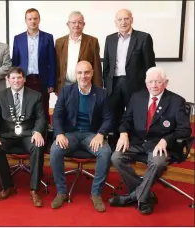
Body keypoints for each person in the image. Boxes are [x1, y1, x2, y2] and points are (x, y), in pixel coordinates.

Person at [109, 67, 191, 215]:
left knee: (158, 162)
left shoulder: (177, 101)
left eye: (158, 82)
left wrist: (166, 140)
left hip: (161, 146)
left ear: (165, 83)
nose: (154, 85)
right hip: (138, 142)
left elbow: (185, 130)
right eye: (150, 82)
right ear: (145, 83)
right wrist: (123, 133)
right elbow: (126, 120)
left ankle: (134, 197)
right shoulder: (137, 97)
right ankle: (146, 196)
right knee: (116, 157)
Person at [49, 61, 112, 212]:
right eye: (79, 73)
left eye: (86, 72)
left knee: (105, 152)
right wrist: (59, 133)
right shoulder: (66, 91)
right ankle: (61, 192)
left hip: (92, 135)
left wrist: (100, 134)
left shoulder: (102, 93)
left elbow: (109, 118)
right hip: (70, 134)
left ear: (92, 73)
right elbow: (57, 116)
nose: (83, 76)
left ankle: (96, 194)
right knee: (55, 150)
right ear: (75, 75)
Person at [0, 67, 47, 207]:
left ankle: (34, 190)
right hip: (7, 134)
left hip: (28, 134)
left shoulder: (35, 95)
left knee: (38, 146)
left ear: (24, 79)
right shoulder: (0, 96)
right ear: (7, 80)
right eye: (13, 78)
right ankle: (8, 187)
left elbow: (41, 118)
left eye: (19, 77)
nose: (16, 81)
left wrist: (38, 131)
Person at [103, 9, 156, 142]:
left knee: (136, 116)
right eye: (120, 19)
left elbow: (150, 66)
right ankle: (114, 146)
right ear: (115, 22)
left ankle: (134, 146)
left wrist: (148, 87)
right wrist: (106, 84)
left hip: (135, 84)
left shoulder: (143, 38)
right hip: (114, 84)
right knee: (113, 116)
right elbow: (107, 65)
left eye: (126, 19)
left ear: (132, 20)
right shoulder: (110, 39)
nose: (123, 22)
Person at [12, 8, 56, 119]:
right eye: (30, 19)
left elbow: (52, 62)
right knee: (25, 109)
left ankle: (43, 134)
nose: (33, 21)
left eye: (35, 18)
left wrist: (51, 83)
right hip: (24, 80)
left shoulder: (48, 38)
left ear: (39, 20)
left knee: (43, 109)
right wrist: (15, 81)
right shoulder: (18, 39)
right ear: (25, 21)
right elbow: (15, 63)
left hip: (42, 80)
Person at [55, 11, 102, 94]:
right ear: (68, 24)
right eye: (73, 22)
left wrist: (98, 88)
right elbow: (56, 65)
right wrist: (55, 86)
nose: (76, 25)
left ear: (84, 24)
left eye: (80, 22)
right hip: (65, 85)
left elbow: (97, 66)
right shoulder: (59, 42)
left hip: (85, 85)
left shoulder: (92, 41)